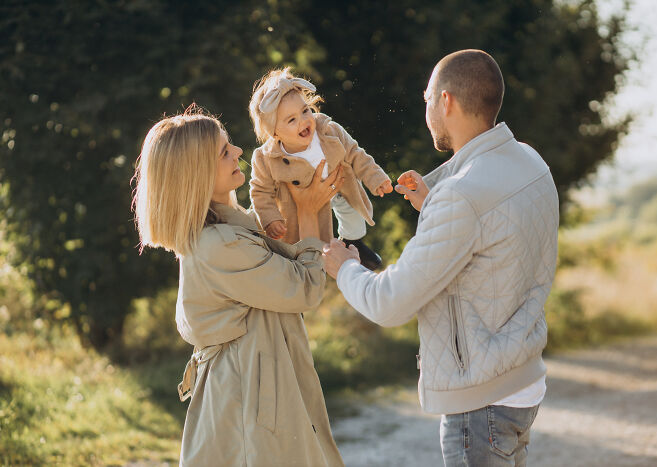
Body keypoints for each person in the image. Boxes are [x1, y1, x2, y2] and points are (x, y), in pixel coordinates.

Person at [323, 49, 559, 466]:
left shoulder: (463, 197)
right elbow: (497, 239)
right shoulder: (530, 161)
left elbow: (389, 302)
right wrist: (434, 204)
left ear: (446, 101)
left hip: (481, 406)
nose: (426, 107)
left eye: (427, 97)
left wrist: (344, 268)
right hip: (522, 386)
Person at [132, 106, 345, 466]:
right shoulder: (221, 245)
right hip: (251, 407)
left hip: (252, 395)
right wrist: (308, 212)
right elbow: (304, 289)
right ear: (196, 173)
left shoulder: (232, 229)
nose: (238, 153)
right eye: (223, 151)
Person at [248, 67, 392, 270]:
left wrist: (376, 178)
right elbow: (260, 192)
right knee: (314, 242)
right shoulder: (266, 158)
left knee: (354, 217)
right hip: (302, 208)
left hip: (340, 189)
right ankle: (318, 264)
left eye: (305, 110)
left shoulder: (328, 130)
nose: (304, 121)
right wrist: (271, 219)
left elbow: (355, 153)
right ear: (274, 132)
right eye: (292, 120)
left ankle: (353, 242)